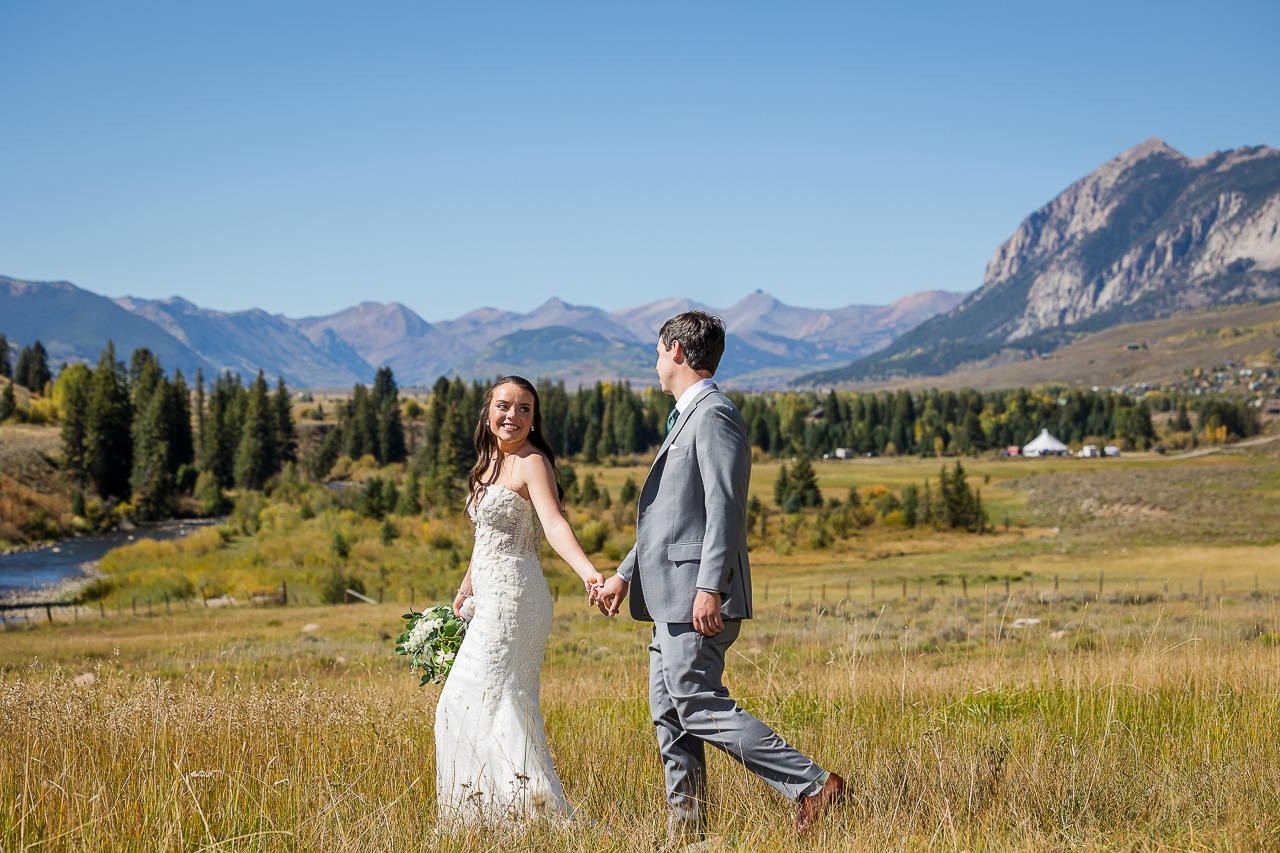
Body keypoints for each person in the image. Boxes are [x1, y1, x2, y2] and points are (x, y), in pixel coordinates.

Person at [595, 311, 845, 843]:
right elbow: (670, 516)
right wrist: (623, 574)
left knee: (698, 702)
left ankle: (813, 785)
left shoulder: (714, 416)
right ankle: (689, 835)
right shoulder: (687, 416)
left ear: (678, 352)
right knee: (671, 720)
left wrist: (711, 587)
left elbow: (725, 509)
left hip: (695, 596)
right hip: (667, 596)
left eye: (659, 350)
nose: (656, 361)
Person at [435, 375, 605, 827]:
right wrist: (467, 583)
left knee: (499, 699)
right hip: (487, 595)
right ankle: (484, 814)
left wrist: (589, 572)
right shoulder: (488, 461)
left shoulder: (533, 463)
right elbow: (484, 536)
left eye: (525, 409)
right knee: (462, 703)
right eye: (504, 406)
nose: (513, 415)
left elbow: (553, 525)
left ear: (534, 419)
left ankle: (532, 813)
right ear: (488, 412)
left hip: (517, 599)